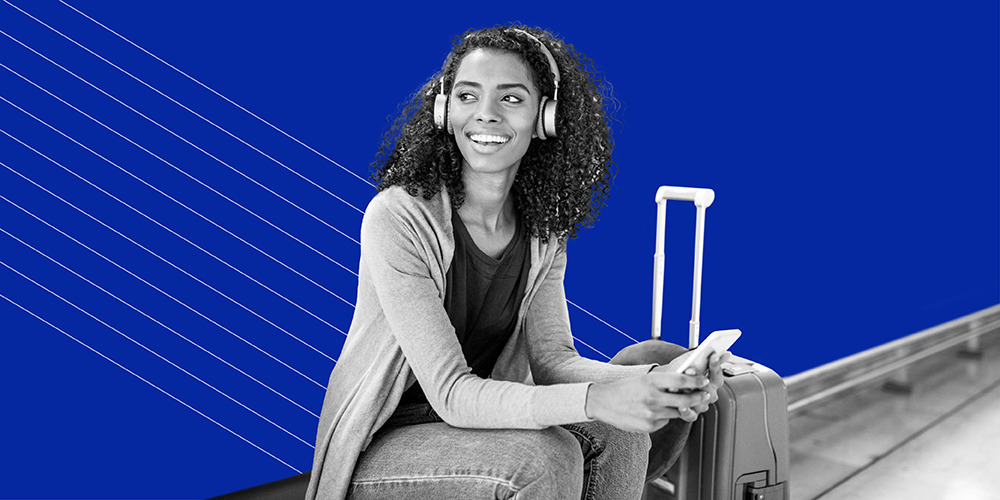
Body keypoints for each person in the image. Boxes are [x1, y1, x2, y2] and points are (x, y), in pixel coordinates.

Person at [305, 24, 727, 500]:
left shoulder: (543, 230)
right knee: (543, 459)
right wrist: (600, 398)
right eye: (468, 95)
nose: (484, 115)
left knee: (622, 435)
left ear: (544, 118)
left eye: (510, 99)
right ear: (446, 110)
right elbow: (450, 394)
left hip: (474, 426)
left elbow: (553, 362)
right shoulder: (398, 217)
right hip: (383, 443)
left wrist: (654, 381)